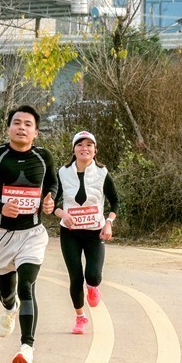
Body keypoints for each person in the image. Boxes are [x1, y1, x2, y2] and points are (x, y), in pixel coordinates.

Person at [0, 105, 57, 363]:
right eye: (17, 123)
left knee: (27, 285)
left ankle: (26, 348)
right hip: (1, 236)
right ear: (8, 128)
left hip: (32, 234)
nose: (22, 127)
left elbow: (52, 185)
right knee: (8, 294)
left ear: (36, 132)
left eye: (28, 124)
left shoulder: (44, 157)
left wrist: (50, 200)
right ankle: (10, 308)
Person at [54, 130, 119, 336]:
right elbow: (52, 203)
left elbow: (115, 201)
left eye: (89, 145)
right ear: (73, 150)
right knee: (75, 278)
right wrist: (62, 213)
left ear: (95, 150)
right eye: (80, 144)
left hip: (94, 232)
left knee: (93, 275)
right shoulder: (63, 173)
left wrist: (108, 222)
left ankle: (93, 287)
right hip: (70, 233)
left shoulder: (102, 173)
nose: (85, 148)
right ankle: (80, 317)